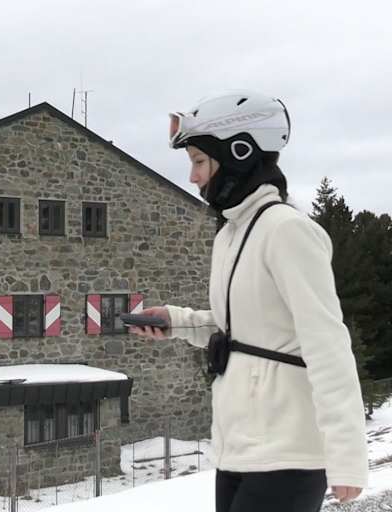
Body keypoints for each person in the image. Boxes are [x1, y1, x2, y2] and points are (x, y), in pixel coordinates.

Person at [131, 91, 368, 511]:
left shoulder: (287, 231)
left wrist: (348, 456)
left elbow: (328, 344)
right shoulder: (231, 234)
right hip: (238, 449)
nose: (193, 177)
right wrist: (176, 320)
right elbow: (242, 328)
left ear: (239, 154)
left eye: (199, 162)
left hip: (287, 453)